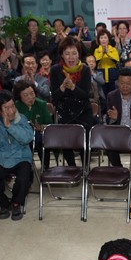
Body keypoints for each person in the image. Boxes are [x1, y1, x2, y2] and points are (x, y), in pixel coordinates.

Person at [0, 90, 34, 221]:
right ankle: (4, 204)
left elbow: (27, 138)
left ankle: (16, 203)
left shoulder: (21, 118)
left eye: (12, 106)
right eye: (6, 108)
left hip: (21, 157)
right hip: (1, 158)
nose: (11, 111)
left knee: (24, 178)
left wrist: (9, 126)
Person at [50, 37, 94, 166]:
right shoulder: (55, 70)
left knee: (84, 145)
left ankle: (85, 169)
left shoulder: (85, 69)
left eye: (74, 53)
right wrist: (63, 87)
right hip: (65, 112)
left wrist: (73, 87)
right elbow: (54, 97)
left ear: (79, 54)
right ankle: (71, 168)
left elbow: (85, 95)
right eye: (67, 53)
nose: (71, 57)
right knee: (66, 144)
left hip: (83, 112)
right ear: (62, 55)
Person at [14, 80, 52, 169]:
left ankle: (45, 168)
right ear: (19, 96)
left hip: (39, 136)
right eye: (26, 95)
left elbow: (49, 126)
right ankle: (26, 168)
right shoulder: (16, 106)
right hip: (22, 137)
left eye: (32, 93)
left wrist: (41, 128)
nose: (30, 97)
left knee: (40, 140)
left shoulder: (41, 104)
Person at [94, 29, 120, 97]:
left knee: (113, 94)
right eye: (101, 38)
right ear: (99, 40)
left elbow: (116, 59)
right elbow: (96, 59)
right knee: (103, 95)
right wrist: (102, 52)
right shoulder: (97, 50)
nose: (103, 40)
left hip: (111, 73)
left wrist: (108, 53)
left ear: (108, 39)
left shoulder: (113, 49)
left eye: (105, 37)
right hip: (101, 74)